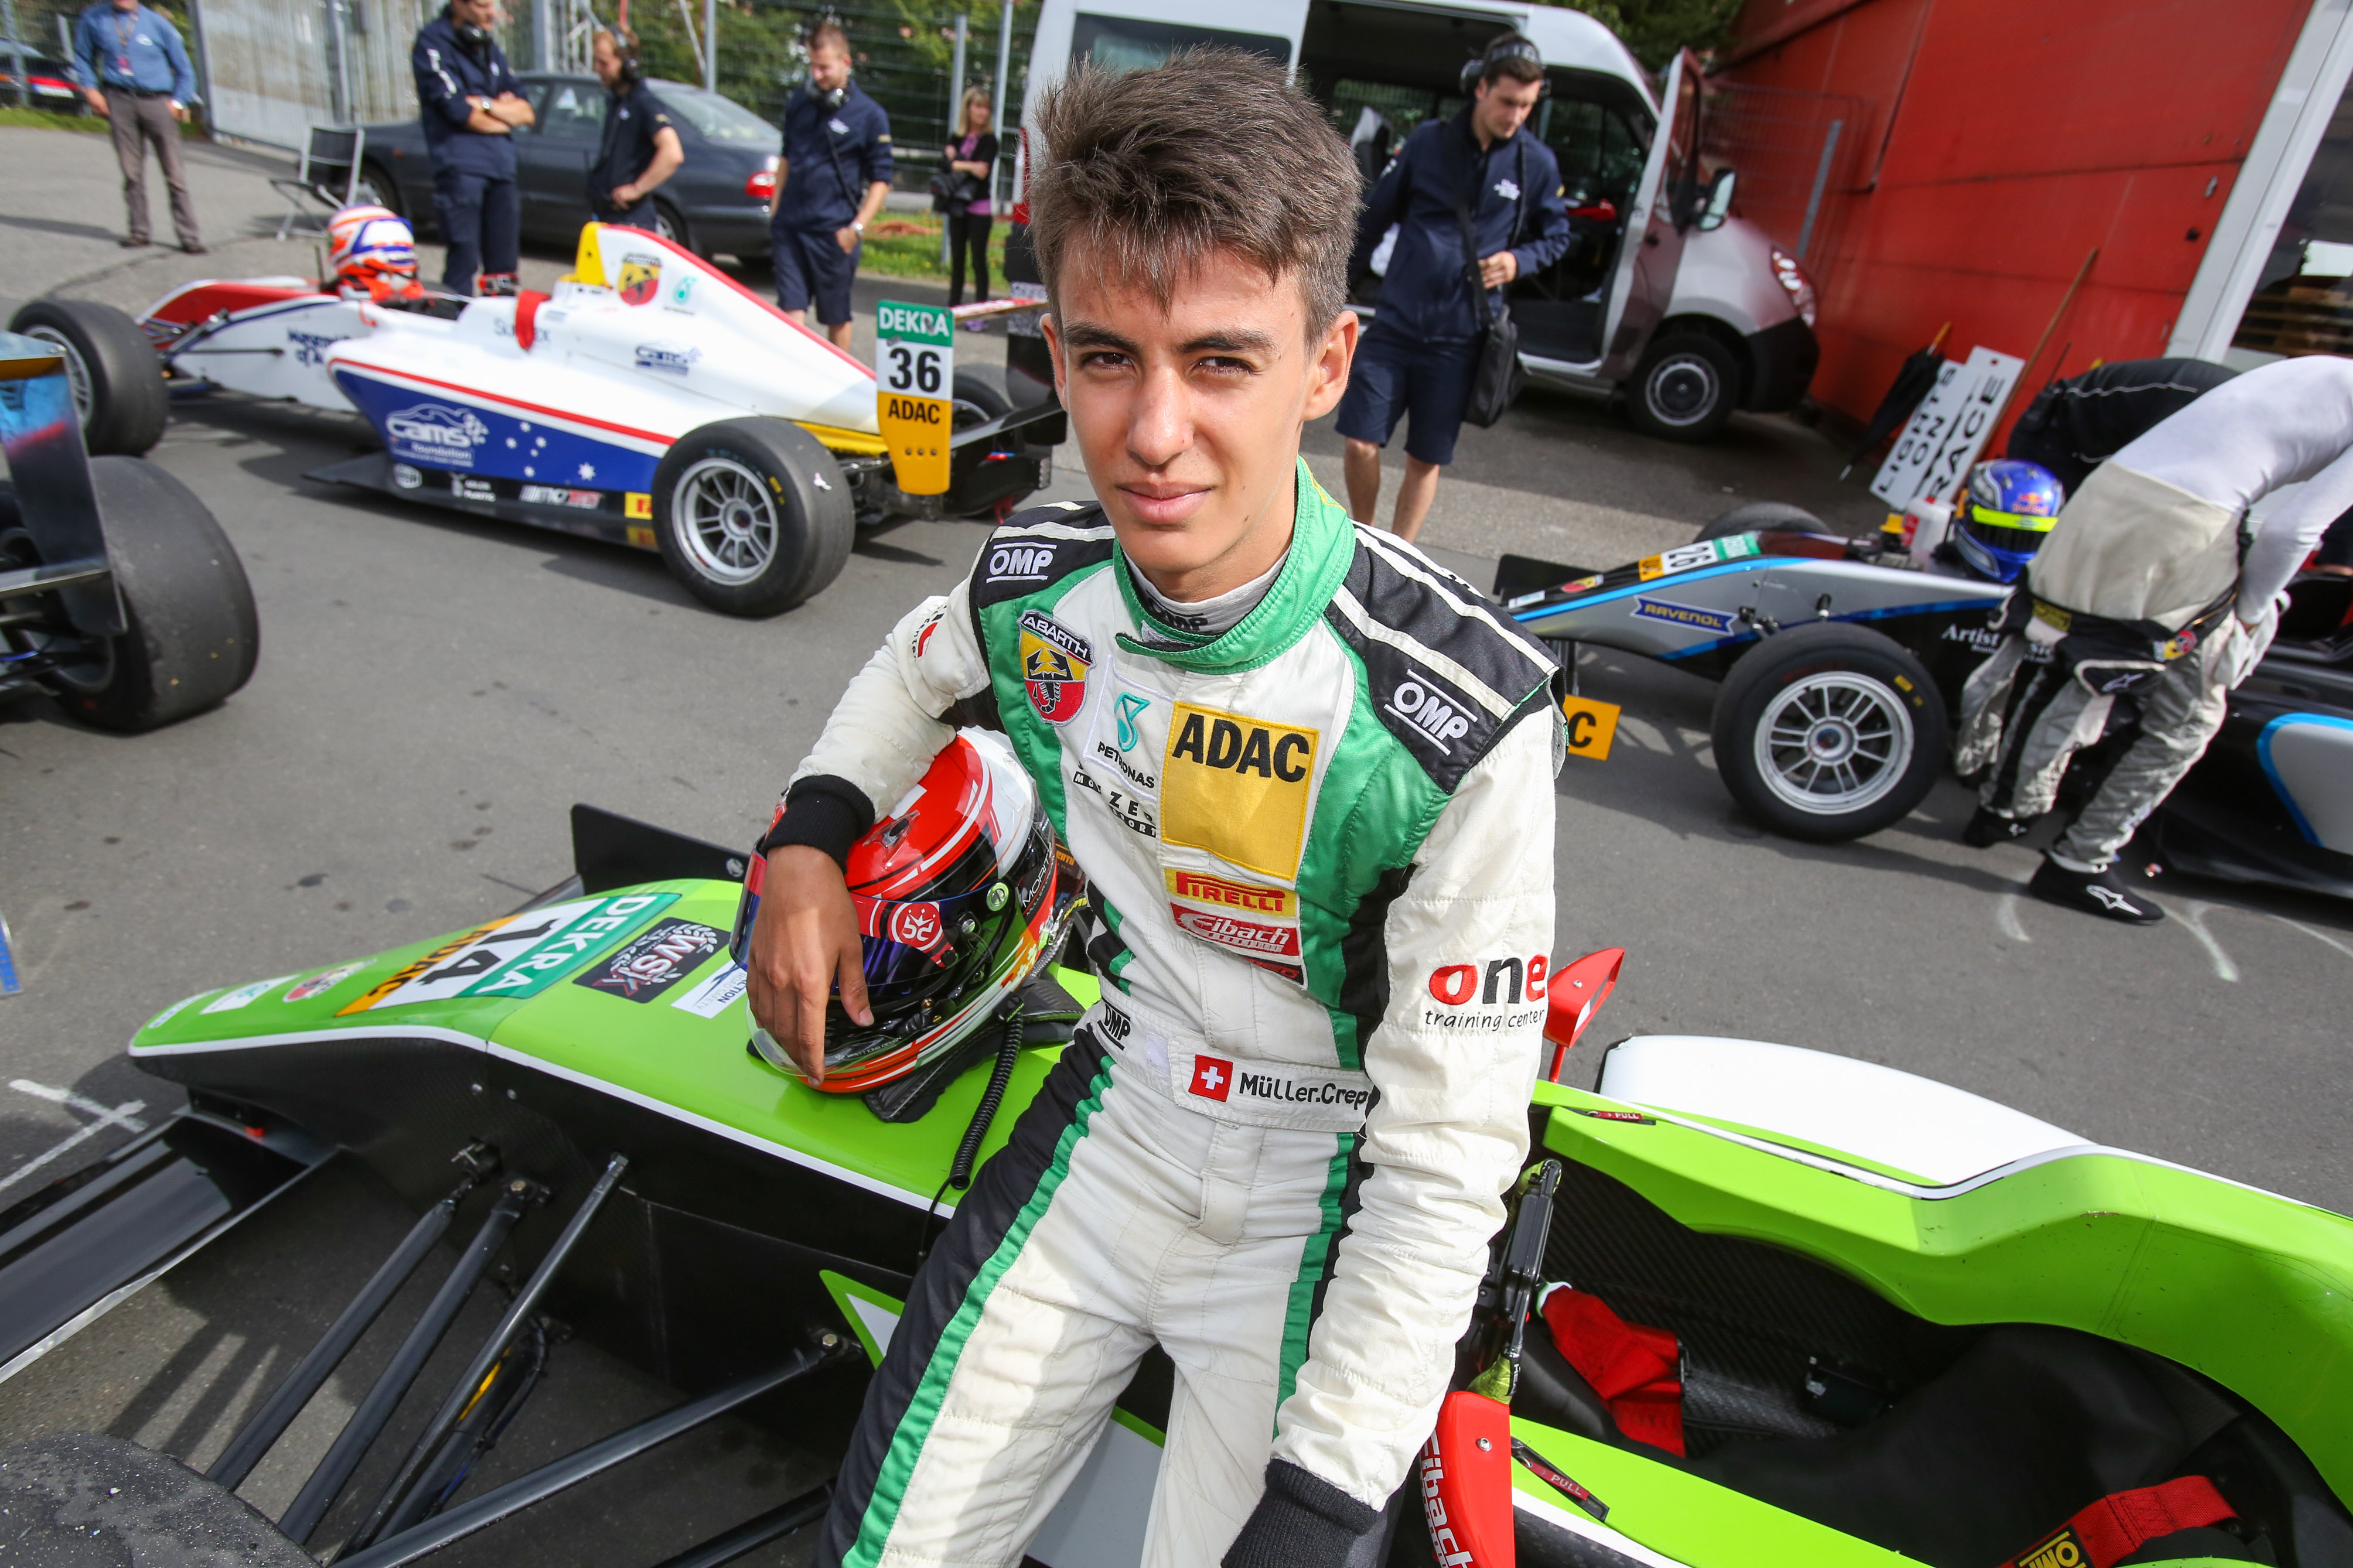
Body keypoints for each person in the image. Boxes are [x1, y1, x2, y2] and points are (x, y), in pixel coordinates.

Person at [746, 50, 1561, 1568]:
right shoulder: (1039, 577)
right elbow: (912, 666)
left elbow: (1449, 1165)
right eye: (1109, 357)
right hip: (1114, 1112)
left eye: (1222, 360)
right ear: (1055, 355)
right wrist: (805, 839)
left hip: (1331, 1186)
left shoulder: (1456, 715)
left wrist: (1324, 1497)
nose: (1155, 430)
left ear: (1328, 364)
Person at [1955, 355, 2353, 923]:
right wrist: (2248, 614)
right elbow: (2293, 533)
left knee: (2081, 656)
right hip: (2180, 520)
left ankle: (2002, 808)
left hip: (2109, 493)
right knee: (2187, 718)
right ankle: (2080, 863)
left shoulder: (2327, 372)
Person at [1336, 35, 1569, 543]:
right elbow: (1374, 220)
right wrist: (1332, 291)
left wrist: (1518, 260)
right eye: (1507, 102)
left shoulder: (1536, 164)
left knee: (1425, 459)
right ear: (1481, 88)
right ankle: (1365, 537)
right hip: (1397, 324)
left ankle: (1399, 552)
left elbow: (1557, 236)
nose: (1515, 116)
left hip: (1461, 339)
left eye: (1526, 106)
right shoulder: (1429, 143)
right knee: (1359, 442)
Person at [770, 21, 892, 352]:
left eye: (824, 67)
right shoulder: (799, 102)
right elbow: (786, 158)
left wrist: (857, 229)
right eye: (813, 66)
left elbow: (882, 180)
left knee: (836, 316)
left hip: (835, 233)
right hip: (791, 228)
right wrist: (775, 210)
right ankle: (794, 375)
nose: (817, 75)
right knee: (790, 312)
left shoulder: (870, 115)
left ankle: (839, 377)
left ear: (845, 63)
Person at [411, 0, 533, 296]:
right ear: (458, 5)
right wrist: (503, 116)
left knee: (504, 268)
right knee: (464, 258)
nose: (492, 12)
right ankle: (457, 314)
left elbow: (526, 112)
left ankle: (500, 316)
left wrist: (485, 104)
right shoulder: (432, 43)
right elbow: (457, 110)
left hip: (502, 168)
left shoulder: (490, 47)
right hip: (461, 168)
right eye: (482, 5)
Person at [69, 0, 202, 253]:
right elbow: (83, 57)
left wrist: (178, 102)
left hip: (157, 102)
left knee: (174, 173)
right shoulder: (94, 19)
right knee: (131, 172)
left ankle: (189, 237)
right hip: (119, 100)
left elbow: (185, 70)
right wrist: (90, 90)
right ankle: (140, 232)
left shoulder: (158, 24)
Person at [2004, 357, 2238, 493]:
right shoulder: (2211, 402)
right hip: (2058, 436)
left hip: (2088, 446)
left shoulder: (2233, 397)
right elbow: (2149, 474)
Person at [586, 26, 682, 230]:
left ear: (627, 64)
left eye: (604, 63)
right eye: (596, 61)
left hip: (631, 220)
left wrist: (637, 189)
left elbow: (673, 153)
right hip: (608, 217)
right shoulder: (616, 101)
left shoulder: (643, 103)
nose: (597, 69)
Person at [942, 85, 998, 308]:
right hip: (957, 207)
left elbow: (982, 170)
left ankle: (980, 310)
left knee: (978, 261)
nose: (983, 112)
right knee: (958, 260)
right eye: (978, 106)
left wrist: (956, 162)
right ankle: (954, 307)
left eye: (986, 108)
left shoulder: (990, 141)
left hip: (979, 209)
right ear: (968, 108)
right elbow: (944, 166)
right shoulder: (956, 137)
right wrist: (969, 166)